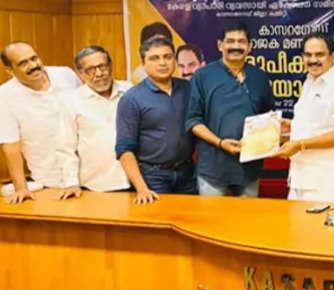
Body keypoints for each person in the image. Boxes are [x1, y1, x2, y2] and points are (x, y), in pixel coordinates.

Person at [185, 21, 275, 197]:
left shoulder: (260, 77)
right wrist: (220, 143)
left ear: (249, 46)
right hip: (213, 169)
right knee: (212, 223)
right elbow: (193, 120)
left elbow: (268, 118)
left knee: (247, 223)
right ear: (220, 45)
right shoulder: (203, 76)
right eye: (230, 41)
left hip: (249, 169)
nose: (236, 46)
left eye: (241, 42)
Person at [274, 33, 334, 203]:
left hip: (329, 183)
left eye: (319, 54)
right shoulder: (309, 82)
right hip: (300, 178)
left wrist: (300, 144)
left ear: (333, 56)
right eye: (308, 55)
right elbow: (319, 125)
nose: (313, 60)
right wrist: (292, 127)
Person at [116, 37, 196, 204]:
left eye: (167, 57)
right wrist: (141, 187)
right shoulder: (132, 99)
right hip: (153, 178)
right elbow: (124, 149)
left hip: (187, 174)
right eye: (154, 58)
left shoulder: (188, 88)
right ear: (143, 64)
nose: (162, 63)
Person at [0, 41, 82, 203]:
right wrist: (21, 188)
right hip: (50, 178)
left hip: (89, 171)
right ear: (10, 71)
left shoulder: (65, 75)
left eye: (34, 58)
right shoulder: (4, 96)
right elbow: (10, 146)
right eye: (23, 63)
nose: (33, 65)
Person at [57, 46, 133, 192]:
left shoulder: (129, 91)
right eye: (91, 69)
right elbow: (66, 147)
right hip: (95, 185)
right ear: (80, 73)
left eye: (102, 66)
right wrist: (71, 183)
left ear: (110, 66)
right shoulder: (71, 101)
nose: (99, 74)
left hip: (135, 181)